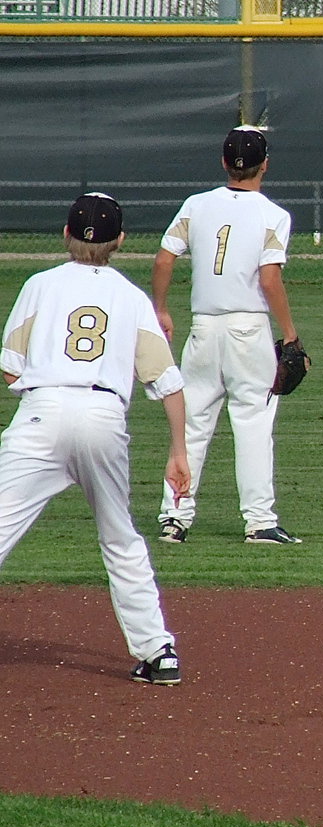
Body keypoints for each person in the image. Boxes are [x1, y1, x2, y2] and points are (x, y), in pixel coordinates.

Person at [0, 193, 190, 685]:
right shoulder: (130, 296)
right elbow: (166, 380)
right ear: (120, 241)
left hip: (42, 413)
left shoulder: (40, 285)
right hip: (104, 416)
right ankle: (158, 652)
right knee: (120, 536)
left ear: (65, 234)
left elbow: (9, 367)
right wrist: (179, 452)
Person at [153, 125, 304, 545]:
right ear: (265, 165)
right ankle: (259, 522)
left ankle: (175, 518)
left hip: (203, 329)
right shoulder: (273, 215)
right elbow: (269, 279)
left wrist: (161, 308)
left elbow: (165, 259)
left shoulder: (196, 206)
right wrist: (290, 333)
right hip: (247, 330)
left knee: (192, 425)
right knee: (253, 422)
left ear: (224, 162)